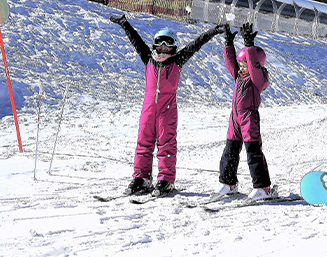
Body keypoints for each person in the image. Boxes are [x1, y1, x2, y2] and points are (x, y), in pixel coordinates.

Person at [110, 14, 224, 196]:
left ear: (173, 47)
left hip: (167, 109)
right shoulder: (148, 59)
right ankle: (142, 177)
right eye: (160, 44)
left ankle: (165, 179)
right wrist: (125, 24)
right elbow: (136, 41)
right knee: (143, 142)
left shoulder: (177, 61)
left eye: (168, 44)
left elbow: (195, 45)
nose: (163, 48)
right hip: (148, 108)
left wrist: (210, 33)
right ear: (155, 45)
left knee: (166, 144)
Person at [217, 22, 274, 200]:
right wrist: (228, 43)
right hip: (235, 118)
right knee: (230, 151)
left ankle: (262, 187)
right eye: (241, 65)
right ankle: (228, 183)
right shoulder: (239, 75)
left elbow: (254, 67)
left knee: (253, 151)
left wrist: (249, 45)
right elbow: (231, 63)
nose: (242, 68)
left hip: (249, 117)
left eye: (245, 65)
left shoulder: (258, 78)